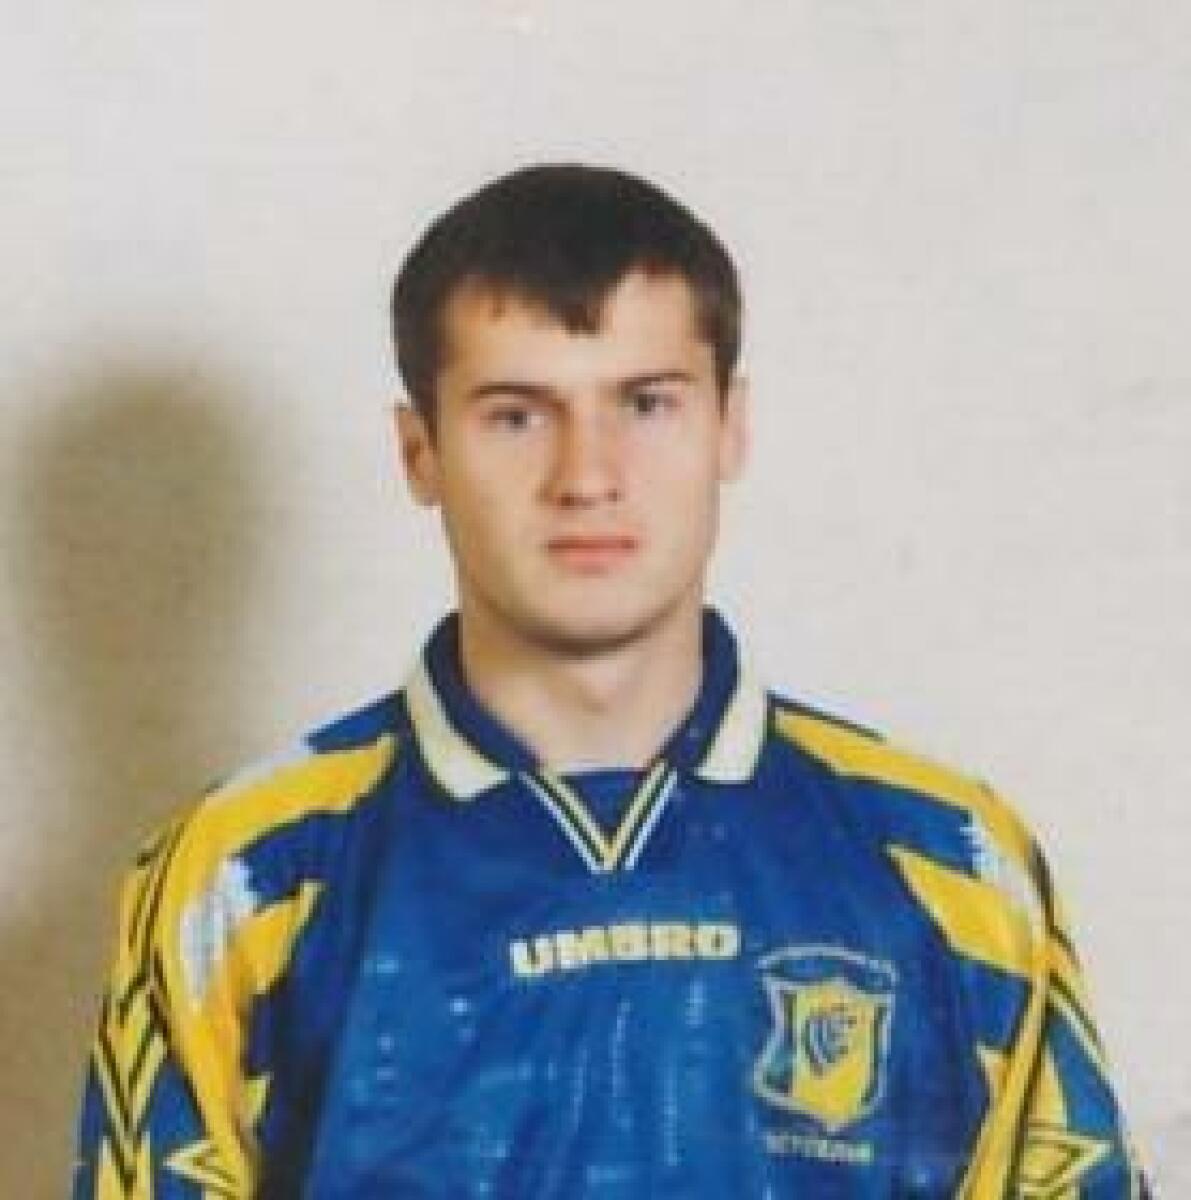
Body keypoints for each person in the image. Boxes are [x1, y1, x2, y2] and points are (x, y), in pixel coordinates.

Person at [73, 164, 1147, 1197]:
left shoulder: (948, 861)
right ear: (419, 452)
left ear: (729, 426)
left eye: (646, 404)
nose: (587, 476)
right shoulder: (246, 876)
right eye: (515, 415)